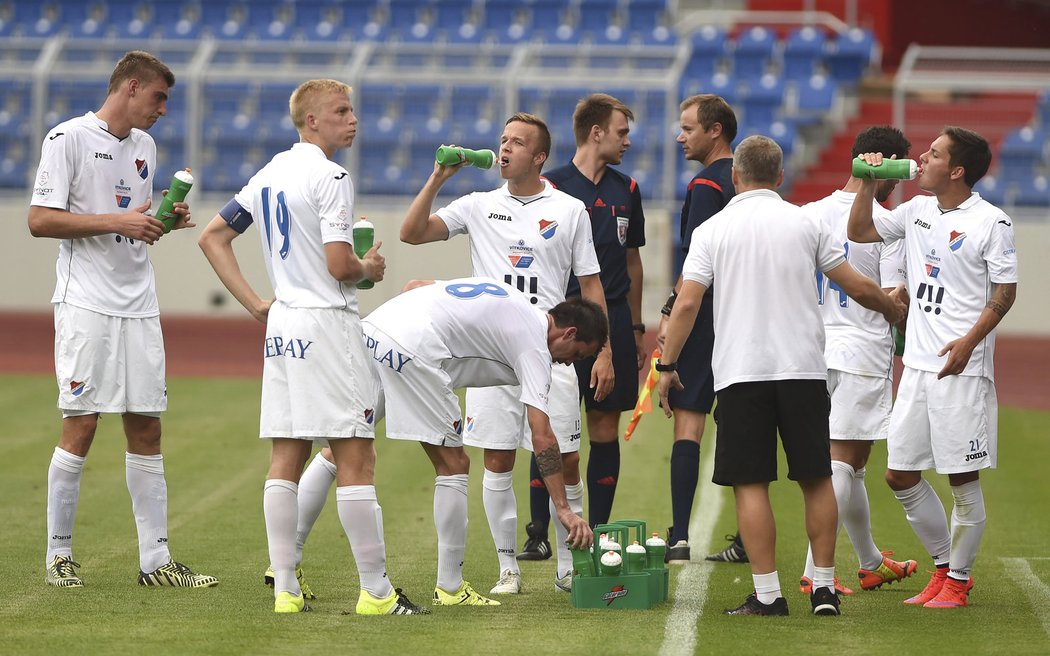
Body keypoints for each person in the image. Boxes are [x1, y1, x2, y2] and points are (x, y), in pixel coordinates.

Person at [290, 112, 610, 597]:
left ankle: (284, 562)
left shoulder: (568, 210)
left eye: (517, 142)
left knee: (344, 446)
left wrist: (600, 349)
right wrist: (440, 177)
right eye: (502, 140)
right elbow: (412, 232)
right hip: (486, 350)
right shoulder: (479, 204)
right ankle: (486, 575)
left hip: (497, 343)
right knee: (478, 461)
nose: (504, 149)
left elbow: (586, 286)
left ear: (540, 156)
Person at [197, 78, 428, 615]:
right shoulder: (331, 176)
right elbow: (340, 265)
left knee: (286, 454)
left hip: (284, 327)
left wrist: (258, 304)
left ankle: (285, 589)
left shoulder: (271, 171)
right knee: (356, 455)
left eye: (352, 110)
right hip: (327, 324)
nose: (353, 119)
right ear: (311, 121)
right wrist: (367, 268)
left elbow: (212, 235)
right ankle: (376, 593)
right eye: (341, 111)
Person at [657, 135, 907, 617]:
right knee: (816, 478)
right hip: (803, 370)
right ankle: (825, 589)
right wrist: (892, 308)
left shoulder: (714, 228)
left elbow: (687, 303)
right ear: (780, 176)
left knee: (751, 483)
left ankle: (768, 594)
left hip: (741, 372)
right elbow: (853, 282)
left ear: (735, 177)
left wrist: (667, 365)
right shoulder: (804, 222)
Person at [28, 50, 216, 590]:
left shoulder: (144, 147)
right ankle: (58, 555)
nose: (163, 110)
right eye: (158, 97)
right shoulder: (67, 138)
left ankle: (157, 563)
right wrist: (120, 221)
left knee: (147, 424)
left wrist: (164, 219)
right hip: (86, 301)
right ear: (131, 88)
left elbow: (131, 221)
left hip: (139, 302)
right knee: (82, 423)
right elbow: (40, 220)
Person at [848, 126, 1018, 609]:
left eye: (934, 153)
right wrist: (866, 180)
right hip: (918, 367)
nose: (920, 157)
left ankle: (958, 583)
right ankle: (943, 569)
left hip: (960, 368)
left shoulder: (992, 222)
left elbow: (1005, 294)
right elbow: (859, 231)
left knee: (962, 480)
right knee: (899, 474)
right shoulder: (918, 209)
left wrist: (968, 342)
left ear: (957, 170)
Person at [362, 277, 601, 605]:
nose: (569, 362)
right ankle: (450, 588)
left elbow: (413, 284)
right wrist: (563, 509)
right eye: (576, 354)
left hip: (375, 327)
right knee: (454, 464)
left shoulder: (515, 302)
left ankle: (285, 574)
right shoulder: (534, 345)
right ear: (569, 333)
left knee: (347, 450)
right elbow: (542, 436)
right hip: (413, 347)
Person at [518, 93, 646, 560]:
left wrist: (631, 330)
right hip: (559, 327)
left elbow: (633, 264)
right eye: (621, 132)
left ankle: (601, 531)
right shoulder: (550, 185)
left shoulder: (627, 190)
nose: (627, 141)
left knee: (604, 425)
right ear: (597, 133)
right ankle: (537, 531)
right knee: (548, 424)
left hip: (607, 322)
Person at [798, 126, 919, 597]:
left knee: (856, 460)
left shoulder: (809, 214)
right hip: (862, 351)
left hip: (814, 348)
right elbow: (891, 296)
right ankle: (814, 573)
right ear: (884, 167)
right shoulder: (884, 224)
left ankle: (870, 562)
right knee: (843, 462)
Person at [655, 94, 744, 565]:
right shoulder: (748, 184)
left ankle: (681, 535)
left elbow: (698, 267)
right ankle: (748, 538)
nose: (680, 136)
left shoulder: (706, 185)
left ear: (715, 131)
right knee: (741, 426)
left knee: (688, 423)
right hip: (744, 320)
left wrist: (671, 314)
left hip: (706, 318)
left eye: (688, 128)